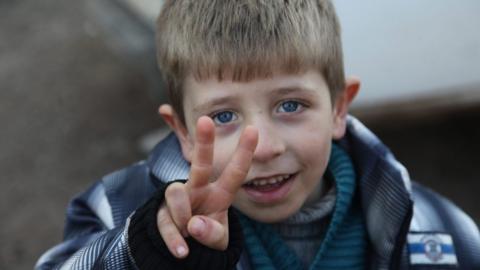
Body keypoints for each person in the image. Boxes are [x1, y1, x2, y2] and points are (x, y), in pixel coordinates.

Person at [36, 0, 480, 269]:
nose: (263, 148)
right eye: (224, 116)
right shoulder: (120, 210)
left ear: (339, 108)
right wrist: (150, 253)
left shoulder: (435, 231)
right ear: (183, 132)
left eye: (291, 105)